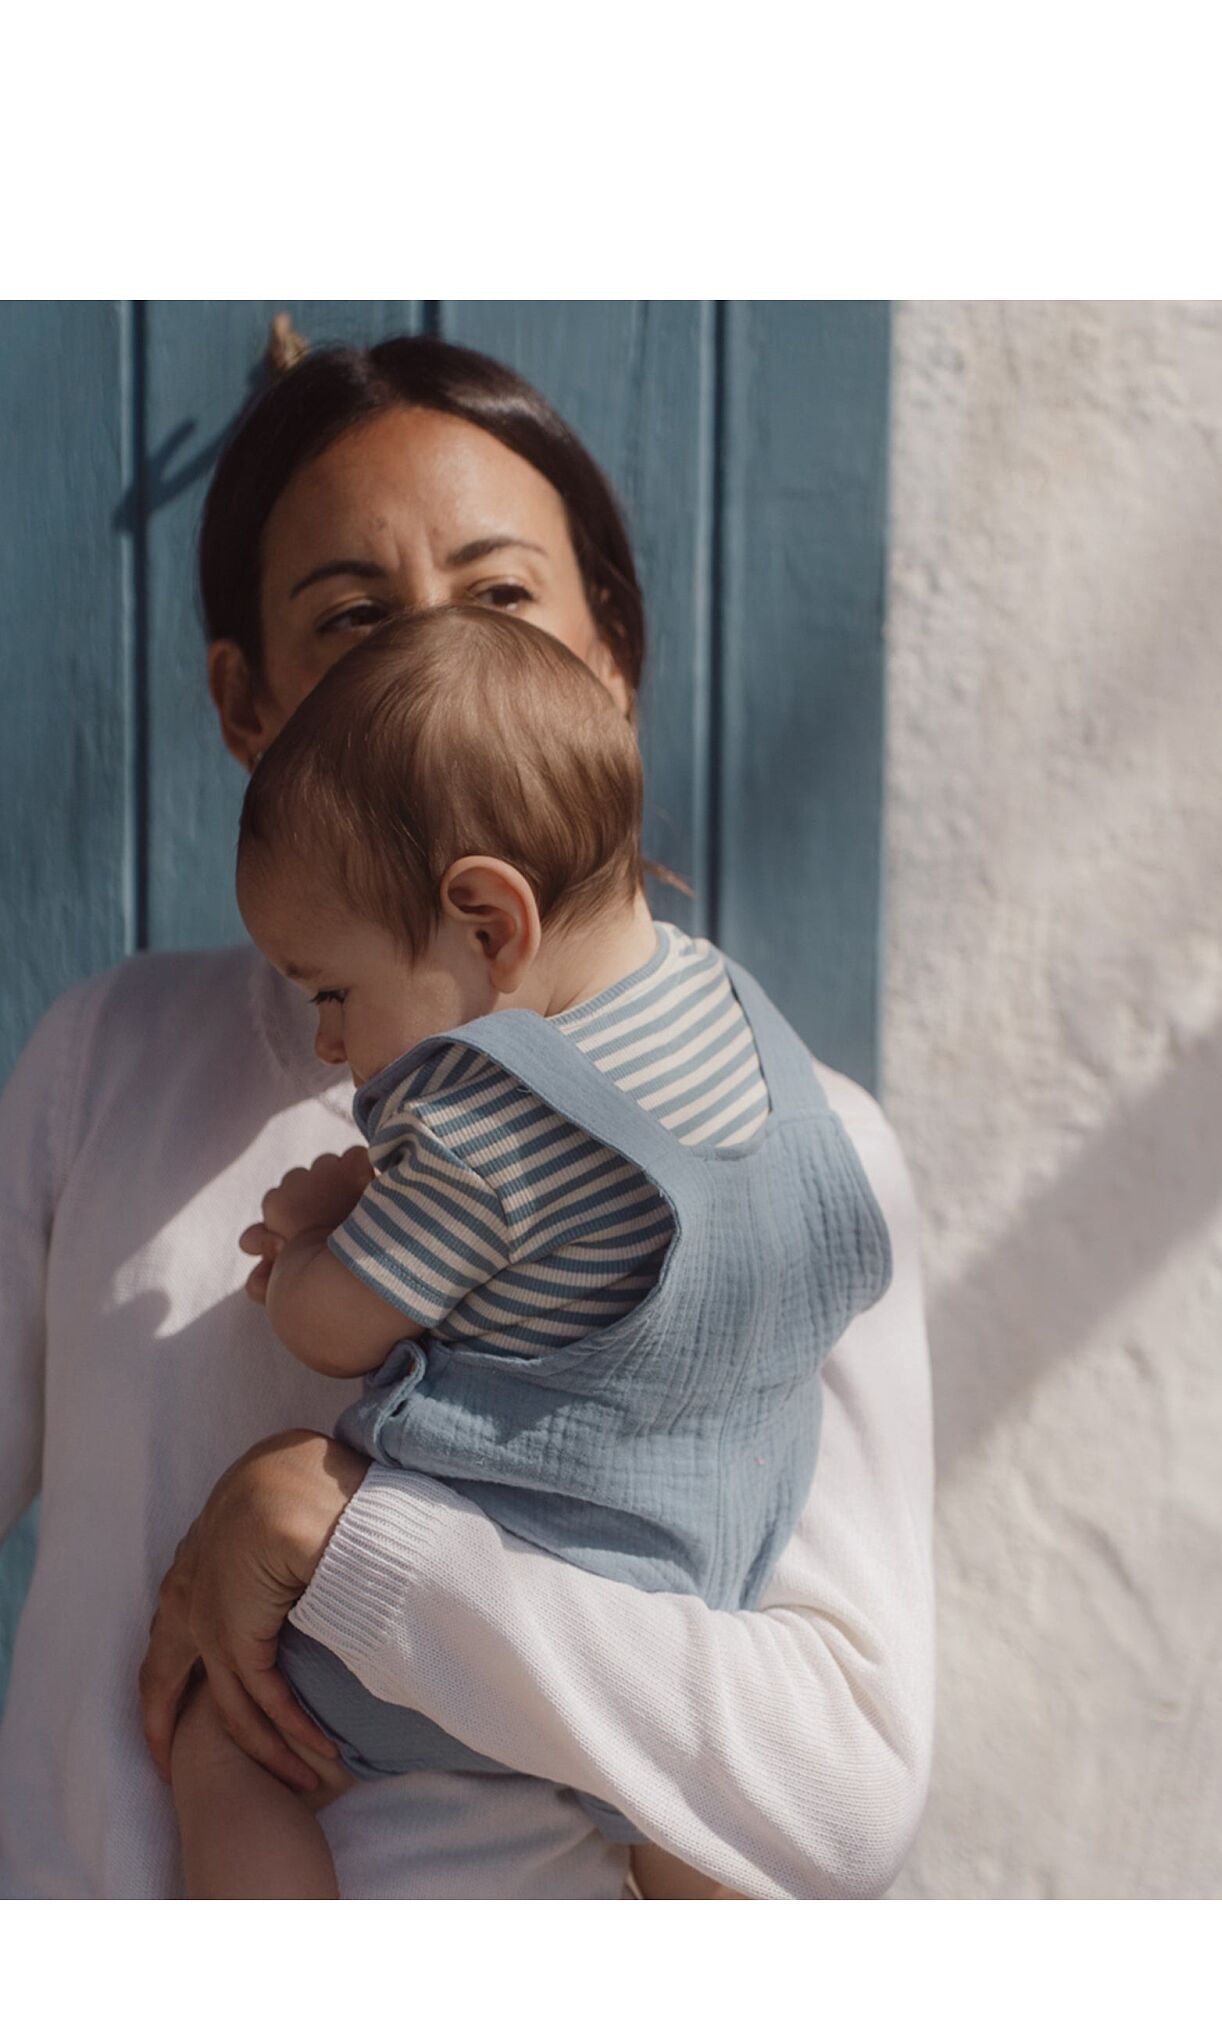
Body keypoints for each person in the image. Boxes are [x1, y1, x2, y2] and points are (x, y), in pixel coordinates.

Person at [0, 331, 934, 1900]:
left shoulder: (798, 1144)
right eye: (353, 620)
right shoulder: (111, 1061)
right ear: (248, 707)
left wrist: (344, 1540)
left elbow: (841, 1794)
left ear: (611, 661)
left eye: (502, 601)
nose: (431, 664)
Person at [172, 604, 893, 1898]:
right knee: (701, 1829)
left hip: (487, 1600)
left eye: (333, 990)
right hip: (694, 1604)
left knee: (220, 1742)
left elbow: (336, 1328)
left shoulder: (483, 1116)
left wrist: (308, 1236)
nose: (330, 1042)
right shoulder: (745, 1029)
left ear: (489, 926)